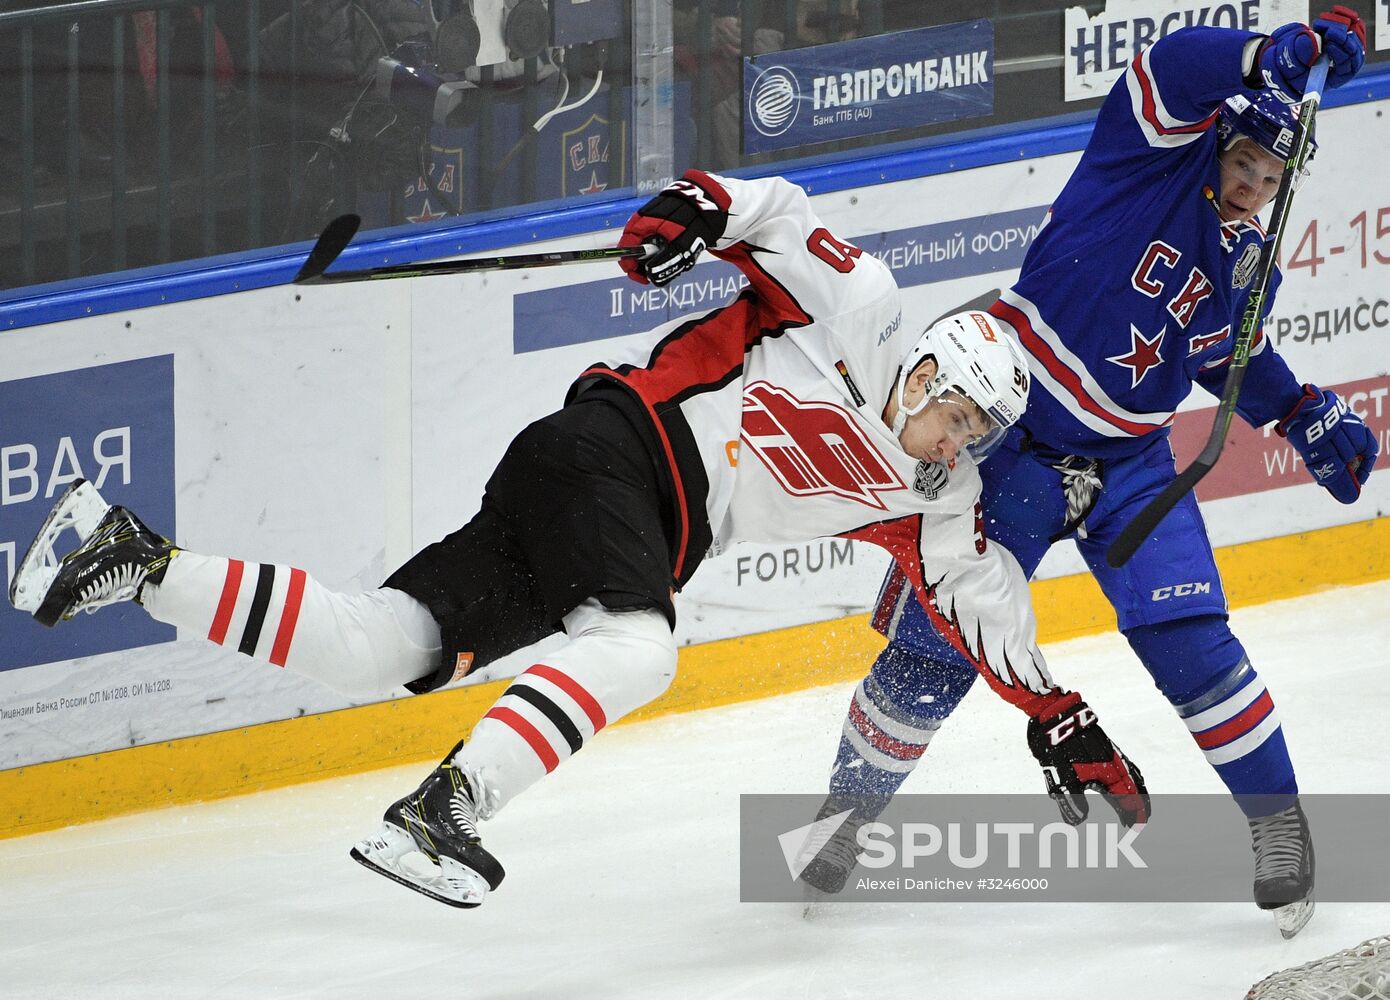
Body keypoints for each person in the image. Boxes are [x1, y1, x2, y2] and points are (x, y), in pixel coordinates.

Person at [11, 168, 1146, 909]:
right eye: (959, 413)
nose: (959, 440)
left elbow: (977, 597)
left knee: (389, 643)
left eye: (980, 431)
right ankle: (444, 809)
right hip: (617, 445)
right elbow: (778, 216)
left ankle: (135, 561)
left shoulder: (933, 499)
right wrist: (691, 210)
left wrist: (1060, 711)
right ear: (934, 368)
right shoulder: (865, 313)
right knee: (644, 648)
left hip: (607, 519)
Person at [807, 10, 1377, 938]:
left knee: (1192, 646)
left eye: (1273, 180)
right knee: (936, 651)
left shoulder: (1246, 254)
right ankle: (842, 817)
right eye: (1243, 165)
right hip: (1013, 443)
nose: (1251, 190)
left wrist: (1300, 408)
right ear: (1217, 136)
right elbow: (1169, 64)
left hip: (1133, 464)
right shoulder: (1144, 156)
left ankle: (1280, 830)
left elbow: (1224, 353)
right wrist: (1266, 52)